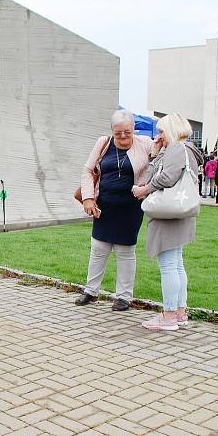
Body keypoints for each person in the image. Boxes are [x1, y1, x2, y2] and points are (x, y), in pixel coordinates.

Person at [75, 111, 153, 311]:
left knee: (125, 251)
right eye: (118, 133)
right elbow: (87, 171)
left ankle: (124, 297)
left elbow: (161, 158)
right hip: (104, 206)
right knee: (98, 249)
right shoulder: (103, 143)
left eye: (127, 132)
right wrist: (88, 199)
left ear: (133, 128)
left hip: (130, 207)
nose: (123, 137)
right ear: (112, 131)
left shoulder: (145, 143)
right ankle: (91, 291)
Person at [132, 113, 203, 331]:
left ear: (171, 130)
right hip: (179, 213)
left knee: (169, 266)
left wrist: (144, 189)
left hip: (168, 214)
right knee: (177, 264)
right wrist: (155, 155)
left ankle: (169, 315)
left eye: (162, 131)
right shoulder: (188, 150)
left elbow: (165, 177)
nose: (158, 136)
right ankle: (179, 312)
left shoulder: (176, 149)